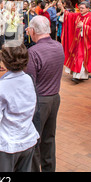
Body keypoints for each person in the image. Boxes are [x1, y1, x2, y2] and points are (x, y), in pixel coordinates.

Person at [0, 43, 39, 172]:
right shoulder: (28, 79)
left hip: (8, 144)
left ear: (4, 62)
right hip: (27, 139)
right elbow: (29, 105)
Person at [25, 15, 65, 172]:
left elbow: (29, 82)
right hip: (54, 97)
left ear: (33, 31)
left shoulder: (33, 52)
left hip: (40, 100)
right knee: (49, 139)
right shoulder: (58, 46)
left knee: (34, 141)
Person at [59, 1, 91, 83]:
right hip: (76, 41)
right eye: (80, 8)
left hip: (85, 43)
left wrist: (84, 26)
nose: (81, 9)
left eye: (83, 8)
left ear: (87, 8)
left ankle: (79, 76)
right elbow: (69, 16)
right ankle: (77, 75)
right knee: (75, 56)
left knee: (81, 57)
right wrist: (61, 7)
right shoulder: (78, 15)